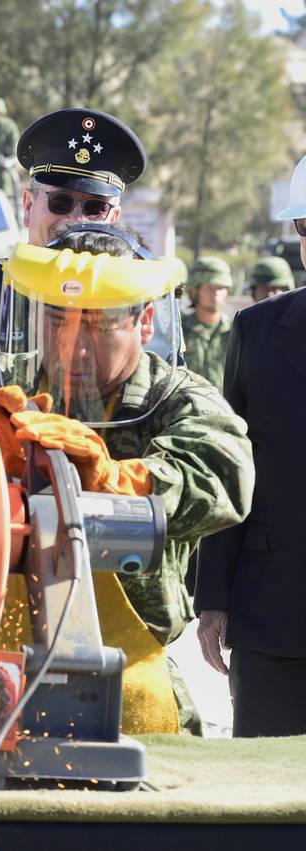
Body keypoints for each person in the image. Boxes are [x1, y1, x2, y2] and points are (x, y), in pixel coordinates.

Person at [0, 224, 253, 734]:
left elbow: (224, 476)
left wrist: (116, 480)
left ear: (145, 322)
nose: (74, 347)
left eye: (99, 327)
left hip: (131, 669)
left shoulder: (176, 397)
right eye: (56, 321)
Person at [0, 108, 146, 413]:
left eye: (95, 208)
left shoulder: (138, 303)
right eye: (60, 201)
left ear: (113, 219)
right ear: (28, 206)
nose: (76, 220)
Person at [196, 153, 306, 737]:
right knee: (262, 777)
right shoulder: (258, 330)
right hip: (271, 614)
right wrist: (213, 597)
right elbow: (230, 468)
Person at [180, 256, 233, 389]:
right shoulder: (180, 331)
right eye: (209, 288)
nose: (215, 294)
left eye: (220, 288)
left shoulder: (236, 332)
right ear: (194, 291)